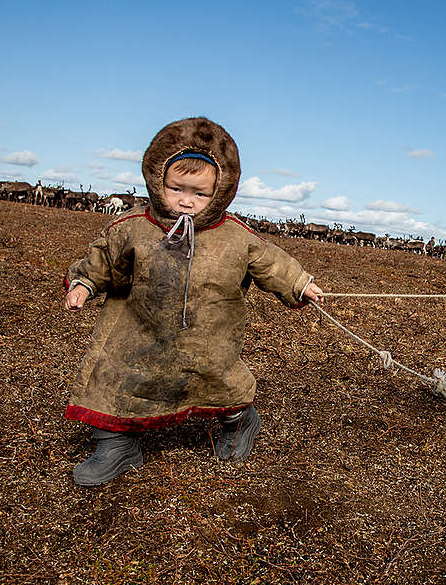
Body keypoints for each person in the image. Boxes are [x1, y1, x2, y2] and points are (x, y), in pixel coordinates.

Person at [63, 117, 324, 487]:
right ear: (158, 181)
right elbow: (103, 260)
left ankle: (239, 423)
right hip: (138, 331)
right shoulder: (134, 226)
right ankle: (118, 445)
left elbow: (270, 262)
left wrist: (299, 284)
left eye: (200, 194)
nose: (187, 200)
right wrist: (84, 284)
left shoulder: (235, 235)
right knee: (115, 383)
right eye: (177, 189)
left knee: (221, 383)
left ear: (220, 191)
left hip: (209, 337)